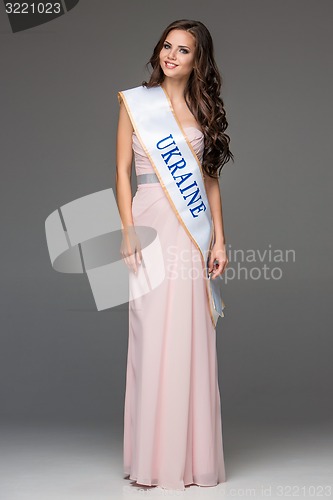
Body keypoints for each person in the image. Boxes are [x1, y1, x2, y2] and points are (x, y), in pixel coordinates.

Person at [115, 19, 233, 491]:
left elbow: (209, 181)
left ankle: (188, 459)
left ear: (196, 60)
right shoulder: (134, 103)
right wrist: (126, 228)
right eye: (167, 46)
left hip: (191, 233)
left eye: (182, 50)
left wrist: (220, 238)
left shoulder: (204, 112)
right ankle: (151, 458)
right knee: (150, 334)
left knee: (189, 337)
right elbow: (122, 172)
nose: (171, 56)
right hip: (148, 224)